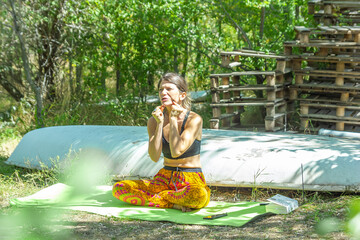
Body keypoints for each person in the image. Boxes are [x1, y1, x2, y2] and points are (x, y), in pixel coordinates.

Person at [112, 72, 210, 212]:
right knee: (119, 188)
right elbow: (154, 156)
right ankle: (172, 202)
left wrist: (173, 119)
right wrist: (159, 124)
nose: (163, 92)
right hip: (164, 178)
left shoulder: (194, 119)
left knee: (198, 196)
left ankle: (159, 198)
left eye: (169, 89)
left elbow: (176, 152)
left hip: (190, 178)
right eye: (161, 89)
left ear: (182, 95)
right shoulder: (154, 120)